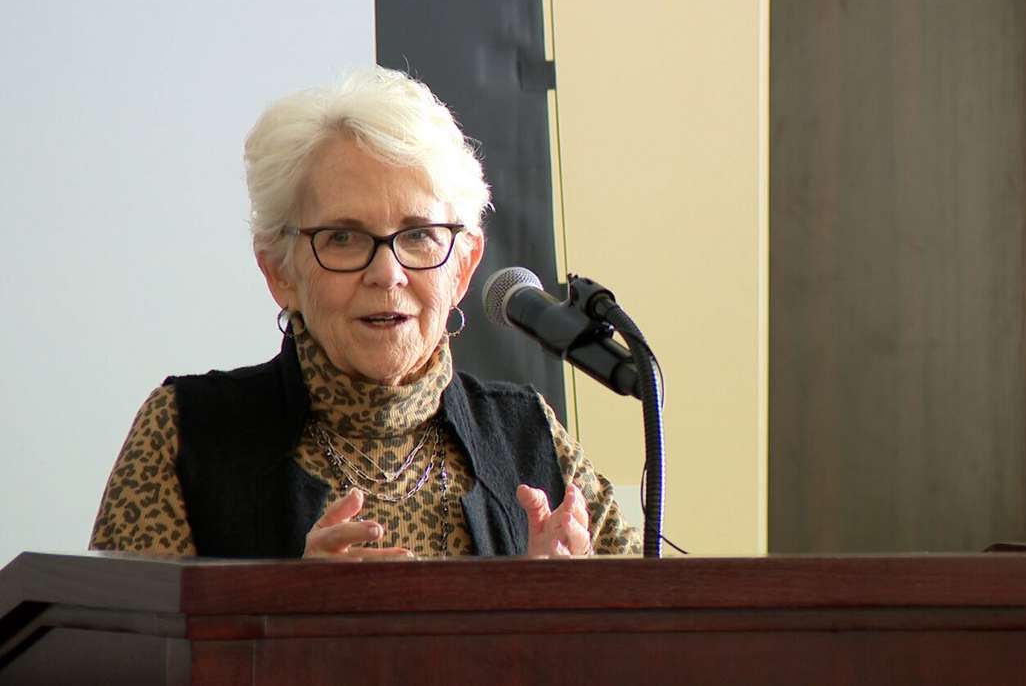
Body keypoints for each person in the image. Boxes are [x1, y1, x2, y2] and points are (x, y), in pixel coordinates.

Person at [89, 67, 641, 560]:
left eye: (420, 235)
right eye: (345, 237)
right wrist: (289, 616)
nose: (387, 273)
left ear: (465, 267)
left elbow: (661, 637)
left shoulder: (529, 435)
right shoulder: (185, 433)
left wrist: (566, 607)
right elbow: (119, 656)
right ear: (280, 271)